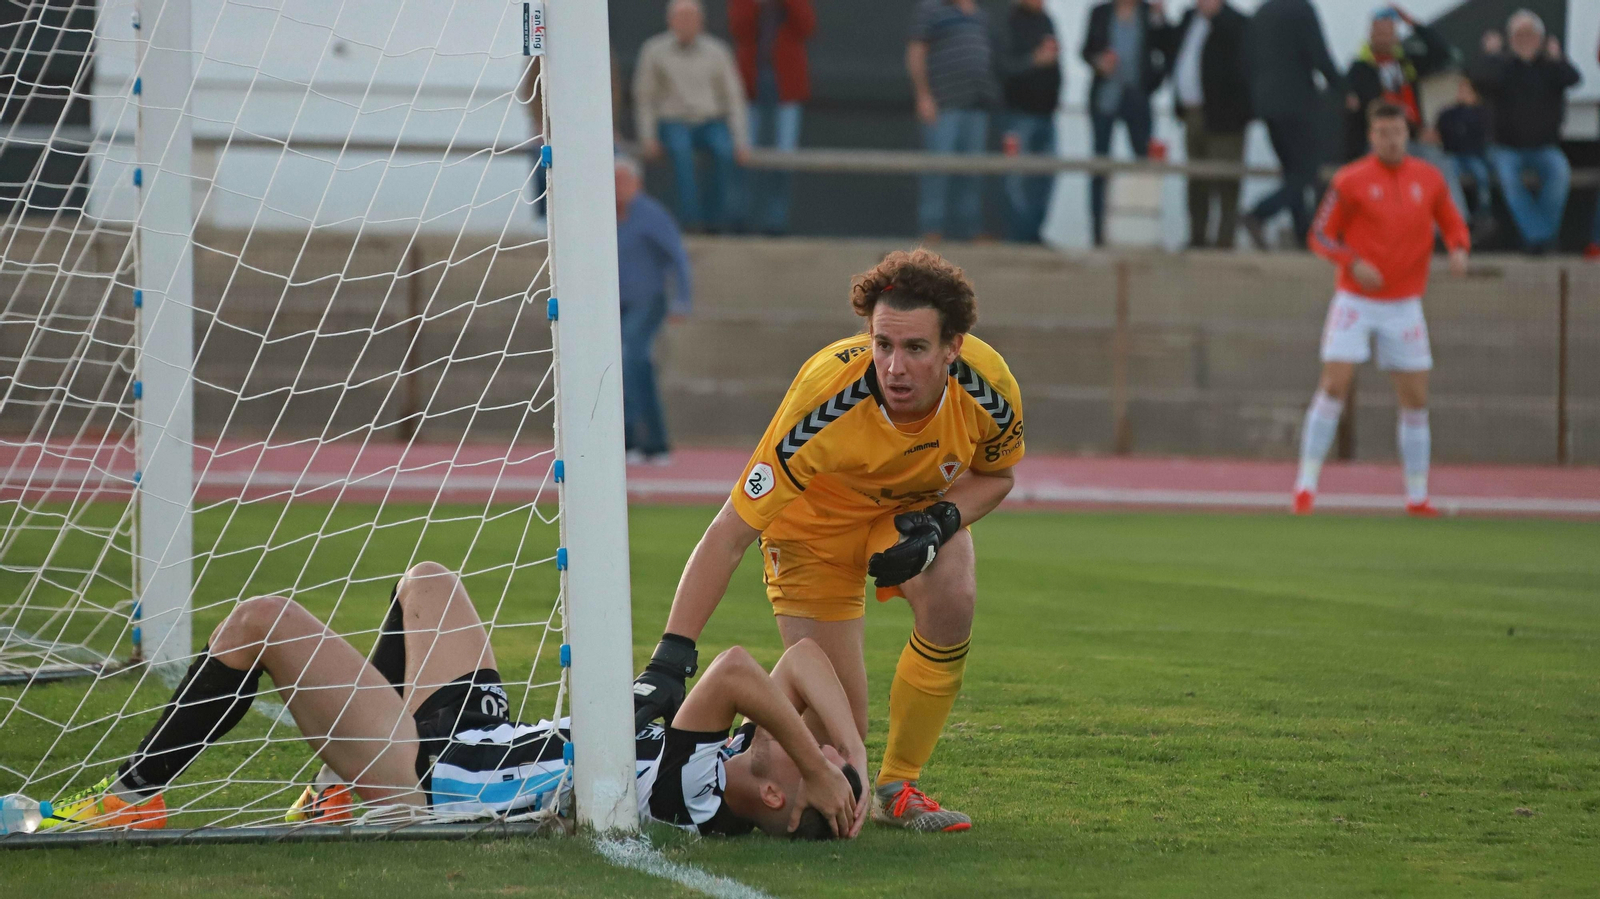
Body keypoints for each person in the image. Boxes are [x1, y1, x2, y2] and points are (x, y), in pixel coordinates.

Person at [629, 248, 1024, 834]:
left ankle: (900, 783)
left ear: (953, 348)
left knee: (953, 583)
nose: (894, 367)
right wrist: (671, 655)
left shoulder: (990, 388)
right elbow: (730, 533)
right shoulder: (822, 398)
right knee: (839, 734)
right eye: (882, 345)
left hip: (905, 514)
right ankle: (719, 768)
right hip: (810, 537)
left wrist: (943, 520)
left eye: (915, 349)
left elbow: (997, 475)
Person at [39, 562, 865, 839]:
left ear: (776, 795)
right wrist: (852, 762)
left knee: (261, 623)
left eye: (814, 757)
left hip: (431, 778)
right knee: (428, 582)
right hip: (483, 735)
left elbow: (733, 668)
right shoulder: (732, 759)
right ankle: (333, 790)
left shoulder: (702, 791)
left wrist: (829, 781)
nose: (818, 741)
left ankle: (131, 797)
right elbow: (800, 658)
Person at [1294, 102, 1470, 517]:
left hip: (1404, 302)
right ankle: (1305, 487)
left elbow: (1452, 221)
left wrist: (1459, 248)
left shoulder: (1428, 179)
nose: (1392, 140)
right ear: (1371, 136)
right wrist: (1352, 262)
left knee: (1414, 398)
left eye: (1398, 133)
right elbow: (1320, 234)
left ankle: (1417, 495)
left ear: (1407, 135)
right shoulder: (1351, 179)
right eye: (1384, 133)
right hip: (1356, 300)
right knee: (1334, 385)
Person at [634, 0, 751, 234]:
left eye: (691, 18)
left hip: (711, 121)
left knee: (724, 152)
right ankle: (691, 222)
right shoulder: (654, 50)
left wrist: (741, 140)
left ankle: (720, 220)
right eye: (681, 18)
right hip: (673, 121)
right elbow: (645, 97)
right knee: (681, 154)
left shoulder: (718, 51)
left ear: (701, 22)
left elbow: (734, 97)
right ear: (670, 21)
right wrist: (647, 137)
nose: (686, 24)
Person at [1469, 11, 1581, 255]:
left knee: (1560, 173)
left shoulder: (1550, 66)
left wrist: (1558, 57)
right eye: (1518, 34)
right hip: (1506, 147)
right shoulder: (1503, 65)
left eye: (1530, 34)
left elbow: (1574, 79)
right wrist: (1490, 55)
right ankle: (1541, 238)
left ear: (1540, 38)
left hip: (1545, 147)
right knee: (1510, 183)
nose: (1524, 39)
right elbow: (1479, 79)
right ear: (1510, 38)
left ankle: (1537, 238)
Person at [1240, 0, 1343, 250]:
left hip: (1267, 106)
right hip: (1297, 104)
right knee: (1307, 171)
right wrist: (1342, 88)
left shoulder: (1261, 13)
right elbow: (1318, 52)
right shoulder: (1301, 9)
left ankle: (1303, 235)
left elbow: (1246, 60)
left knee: (1292, 172)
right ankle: (1259, 213)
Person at [615, 155, 692, 465]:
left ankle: (636, 439)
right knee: (635, 368)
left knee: (630, 358)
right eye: (614, 182)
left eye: (624, 181)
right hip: (612, 304)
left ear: (638, 184)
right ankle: (650, 442)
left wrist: (682, 300)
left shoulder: (651, 215)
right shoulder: (600, 214)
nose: (618, 188)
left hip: (647, 301)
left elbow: (678, 258)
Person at [1080, 0, 1174, 247]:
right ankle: (1097, 233)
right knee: (1100, 164)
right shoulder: (1099, 13)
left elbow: (1167, 47)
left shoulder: (1149, 12)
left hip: (1137, 99)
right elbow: (1085, 50)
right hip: (1104, 99)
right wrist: (1099, 62)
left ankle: (1143, 230)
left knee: (1144, 162)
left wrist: (1151, 84)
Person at [906, 0, 1000, 242]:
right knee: (937, 170)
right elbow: (916, 52)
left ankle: (970, 230)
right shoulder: (930, 9)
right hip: (943, 105)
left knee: (973, 173)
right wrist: (923, 96)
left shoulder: (980, 15)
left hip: (976, 107)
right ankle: (931, 232)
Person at [1163, 0, 1250, 249]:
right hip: (1192, 114)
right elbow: (1169, 48)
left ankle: (1224, 241)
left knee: (1226, 181)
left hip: (1225, 119)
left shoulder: (1236, 22)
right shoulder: (1189, 18)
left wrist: (1217, 17)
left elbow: (1244, 68)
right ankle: (1197, 237)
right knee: (1196, 180)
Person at [728, 0, 815, 236]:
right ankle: (740, 217)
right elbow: (739, 28)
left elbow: (807, 27)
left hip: (786, 81)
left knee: (784, 154)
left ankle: (775, 221)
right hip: (750, 79)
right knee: (743, 151)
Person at [1342, 6, 1455, 162]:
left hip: (1415, 139)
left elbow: (1443, 53)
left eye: (1389, 33)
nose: (1385, 38)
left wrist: (1410, 21)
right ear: (1371, 35)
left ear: (1396, 36)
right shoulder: (1360, 68)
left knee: (1440, 164)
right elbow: (1367, 106)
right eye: (1380, 33)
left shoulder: (1406, 63)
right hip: (1380, 141)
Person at [997, 0, 1062, 244]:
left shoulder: (1047, 21)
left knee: (1045, 178)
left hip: (1047, 114)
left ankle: (1034, 234)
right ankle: (1019, 237)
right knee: (1017, 179)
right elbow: (1003, 67)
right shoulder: (1009, 22)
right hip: (1019, 115)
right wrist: (1034, 60)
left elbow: (1054, 61)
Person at [1435, 78, 1494, 235]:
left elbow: (1484, 137)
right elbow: (1440, 132)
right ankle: (1459, 216)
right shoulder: (1449, 113)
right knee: (1448, 174)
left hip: (1474, 156)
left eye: (1467, 91)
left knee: (1481, 174)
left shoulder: (1483, 113)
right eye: (1461, 90)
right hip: (1453, 156)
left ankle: (1484, 213)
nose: (1462, 94)